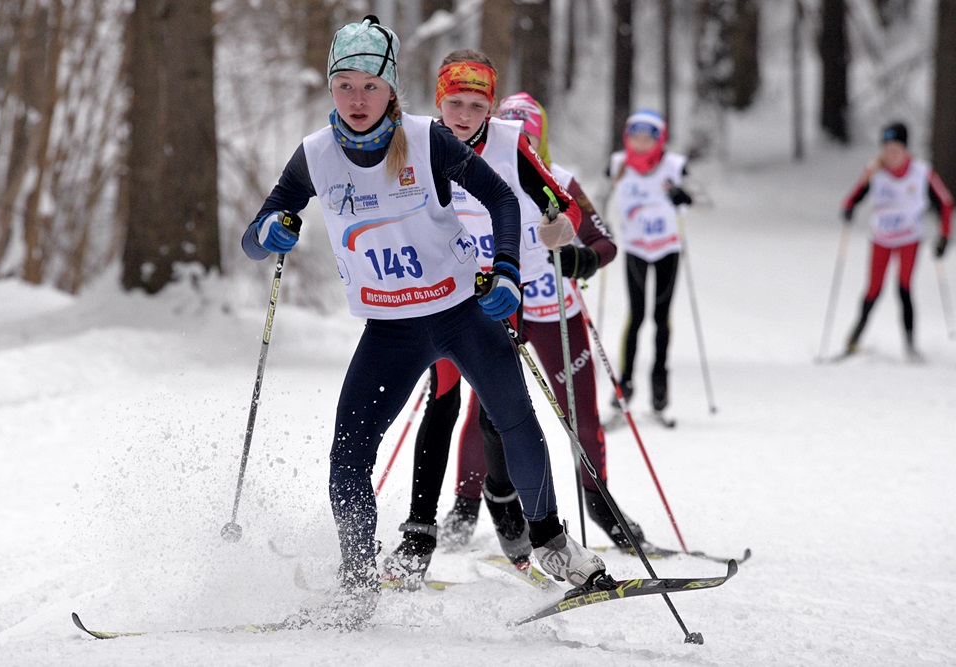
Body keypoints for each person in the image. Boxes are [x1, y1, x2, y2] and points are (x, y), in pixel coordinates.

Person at [240, 17, 608, 631]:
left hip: (461, 312)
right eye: (344, 86)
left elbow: (499, 200)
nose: (357, 101)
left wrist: (509, 272)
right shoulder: (314, 156)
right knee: (348, 458)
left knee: (515, 418)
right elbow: (256, 238)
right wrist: (268, 231)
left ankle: (551, 545)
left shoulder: (429, 140)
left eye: (369, 87)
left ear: (391, 89)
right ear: (332, 90)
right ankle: (357, 583)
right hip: (390, 330)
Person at [379, 54, 589, 586]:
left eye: (477, 106)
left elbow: (561, 202)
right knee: (442, 404)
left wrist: (560, 224)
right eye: (456, 104)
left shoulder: (508, 143)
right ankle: (417, 536)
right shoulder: (413, 140)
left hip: (496, 293)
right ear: (438, 102)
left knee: (502, 415)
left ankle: (508, 509)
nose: (465, 115)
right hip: (440, 293)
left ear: (490, 110)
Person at [435, 92, 649, 555]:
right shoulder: (472, 177)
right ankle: (464, 507)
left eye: (529, 138)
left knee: (583, 414)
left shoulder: (562, 181)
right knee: (484, 412)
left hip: (555, 311)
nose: (520, 148)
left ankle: (600, 506)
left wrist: (582, 259)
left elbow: (604, 241)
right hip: (500, 307)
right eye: (514, 137)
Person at [841, 121, 953, 358]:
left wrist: (944, 235)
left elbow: (945, 202)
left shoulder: (921, 172)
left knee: (903, 287)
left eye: (896, 150)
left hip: (909, 239)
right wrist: (849, 208)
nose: (891, 156)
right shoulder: (874, 170)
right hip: (881, 238)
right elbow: (854, 195)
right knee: (873, 289)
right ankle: (854, 339)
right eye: (887, 150)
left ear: (906, 150)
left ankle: (911, 345)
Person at [608, 109, 692, 420]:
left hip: (667, 248)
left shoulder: (674, 166)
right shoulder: (618, 164)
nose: (641, 144)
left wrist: (684, 196)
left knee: (661, 316)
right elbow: (601, 198)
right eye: (636, 138)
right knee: (636, 315)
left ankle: (659, 383)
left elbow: (702, 199)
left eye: (647, 139)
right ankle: (625, 383)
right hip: (636, 249)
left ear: (659, 140)